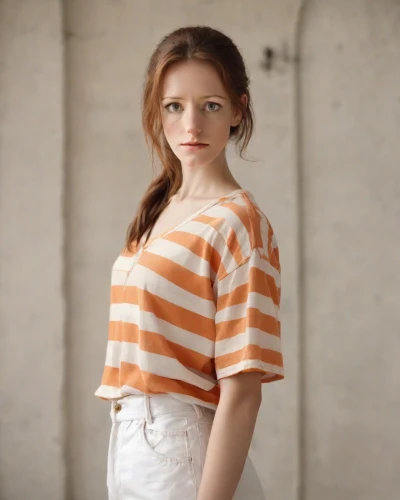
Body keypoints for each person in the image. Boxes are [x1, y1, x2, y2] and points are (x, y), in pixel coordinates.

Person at [95, 25, 284, 500]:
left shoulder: (239, 223)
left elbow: (242, 391)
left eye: (211, 106)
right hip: (132, 443)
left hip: (182, 453)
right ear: (156, 112)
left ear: (239, 109)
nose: (192, 126)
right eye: (174, 106)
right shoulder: (160, 207)